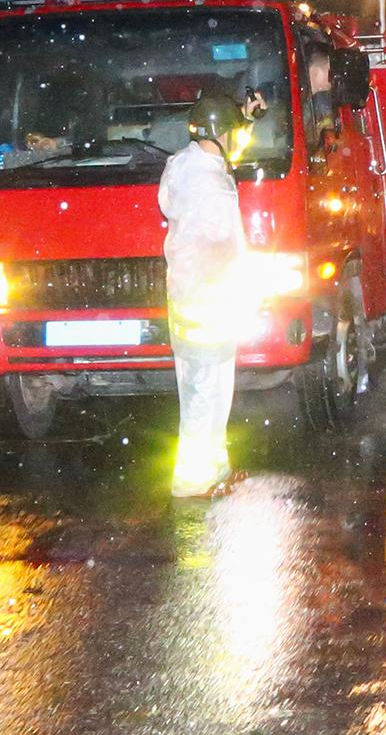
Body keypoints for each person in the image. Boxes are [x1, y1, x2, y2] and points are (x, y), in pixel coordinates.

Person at [159, 92, 249, 498]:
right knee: (203, 392)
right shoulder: (208, 183)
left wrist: (247, 118)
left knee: (210, 388)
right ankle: (192, 480)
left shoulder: (186, 165)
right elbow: (217, 245)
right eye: (232, 131)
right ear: (219, 132)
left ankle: (214, 469)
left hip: (192, 295)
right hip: (206, 298)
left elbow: (229, 152)